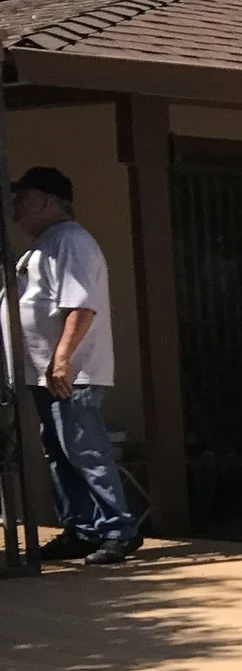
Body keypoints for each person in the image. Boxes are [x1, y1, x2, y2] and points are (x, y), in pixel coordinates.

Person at [9, 166, 142, 564]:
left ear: (46, 201)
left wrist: (62, 360)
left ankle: (119, 529)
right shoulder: (44, 245)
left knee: (84, 449)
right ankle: (81, 530)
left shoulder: (72, 241)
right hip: (46, 373)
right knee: (60, 452)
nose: (15, 206)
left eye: (22, 198)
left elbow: (82, 306)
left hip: (70, 374)